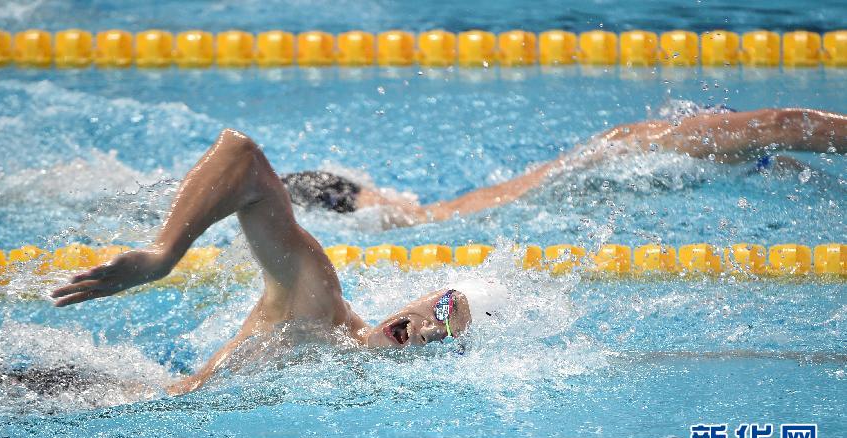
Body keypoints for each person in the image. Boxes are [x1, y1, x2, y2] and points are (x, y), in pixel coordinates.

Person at [51, 107, 846, 396]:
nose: (430, 326)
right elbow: (243, 153)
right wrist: (163, 254)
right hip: (78, 387)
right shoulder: (318, 303)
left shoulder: (347, 367)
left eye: (449, 327)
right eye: (440, 304)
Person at [279, 107, 847, 226]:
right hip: (598, 162)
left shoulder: (419, 218)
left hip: (606, 160)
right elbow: (779, 123)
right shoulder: (423, 215)